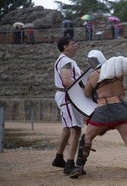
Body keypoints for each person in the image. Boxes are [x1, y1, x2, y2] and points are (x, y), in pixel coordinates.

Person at [69, 49, 127, 179]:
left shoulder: (93, 76)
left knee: (87, 138)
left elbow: (86, 94)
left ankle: (79, 166)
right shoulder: (117, 72)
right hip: (120, 107)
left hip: (103, 109)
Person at [52, 36, 85, 175]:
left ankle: (59, 158)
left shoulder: (65, 60)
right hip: (68, 97)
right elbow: (66, 80)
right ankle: (70, 164)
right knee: (76, 129)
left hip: (64, 96)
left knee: (67, 129)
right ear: (66, 47)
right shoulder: (66, 61)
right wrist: (84, 86)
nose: (76, 45)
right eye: (73, 43)